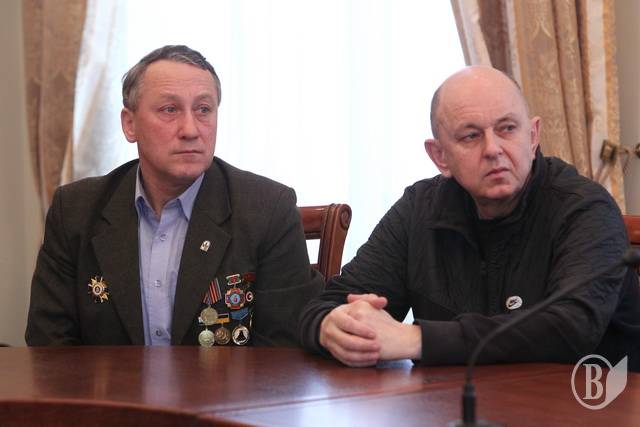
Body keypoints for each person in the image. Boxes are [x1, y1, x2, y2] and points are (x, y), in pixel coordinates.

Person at [300, 66, 640, 370]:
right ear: (440, 156)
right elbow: (329, 304)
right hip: (453, 405)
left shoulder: (586, 209)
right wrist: (331, 327)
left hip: (589, 405)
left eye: (507, 129)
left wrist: (416, 340)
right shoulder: (420, 209)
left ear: (533, 137)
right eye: (471, 136)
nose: (493, 149)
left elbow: (569, 327)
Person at [26, 45, 324, 347]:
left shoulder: (268, 210)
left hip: (229, 381)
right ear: (130, 124)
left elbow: (283, 348)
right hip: (107, 381)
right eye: (170, 110)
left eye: (203, 110)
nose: (190, 130)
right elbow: (49, 345)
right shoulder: (75, 211)